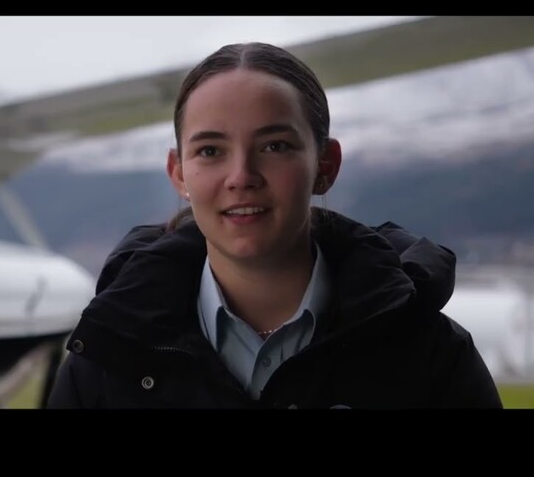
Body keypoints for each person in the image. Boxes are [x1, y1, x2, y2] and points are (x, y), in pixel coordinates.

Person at [46, 42, 503, 409]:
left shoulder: (429, 355)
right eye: (210, 151)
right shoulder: (108, 359)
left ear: (325, 165)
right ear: (179, 173)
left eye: (275, 146)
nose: (241, 176)